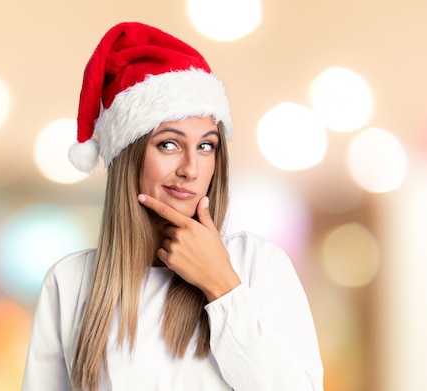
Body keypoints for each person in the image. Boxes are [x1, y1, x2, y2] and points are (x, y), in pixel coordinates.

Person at [22, 22, 324, 390]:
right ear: (128, 156)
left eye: (206, 146)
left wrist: (223, 286)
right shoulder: (70, 283)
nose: (190, 169)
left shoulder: (257, 264)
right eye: (168, 144)